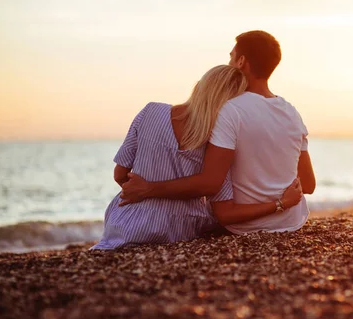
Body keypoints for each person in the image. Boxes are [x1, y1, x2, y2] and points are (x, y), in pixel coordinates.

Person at [119, 30, 316, 234]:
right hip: (292, 222)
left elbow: (210, 183)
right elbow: (308, 184)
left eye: (231, 56)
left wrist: (149, 188)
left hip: (244, 226)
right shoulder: (292, 113)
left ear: (241, 61)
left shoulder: (230, 110)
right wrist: (281, 194)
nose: (229, 62)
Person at [91, 65, 303, 250]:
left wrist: (143, 192)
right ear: (230, 104)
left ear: (199, 86)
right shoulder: (215, 142)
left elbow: (120, 174)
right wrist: (280, 203)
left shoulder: (150, 111)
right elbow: (225, 212)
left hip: (124, 222)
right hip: (177, 228)